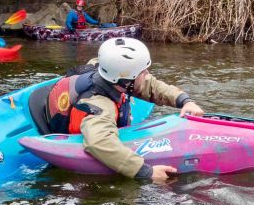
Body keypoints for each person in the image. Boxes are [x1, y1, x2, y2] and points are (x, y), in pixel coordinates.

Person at [28, 38, 204, 180]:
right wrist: (146, 172)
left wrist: (184, 100)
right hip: (60, 127)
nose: (147, 75)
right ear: (125, 81)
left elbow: (151, 86)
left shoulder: (104, 69)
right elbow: (99, 143)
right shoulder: (101, 106)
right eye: (143, 72)